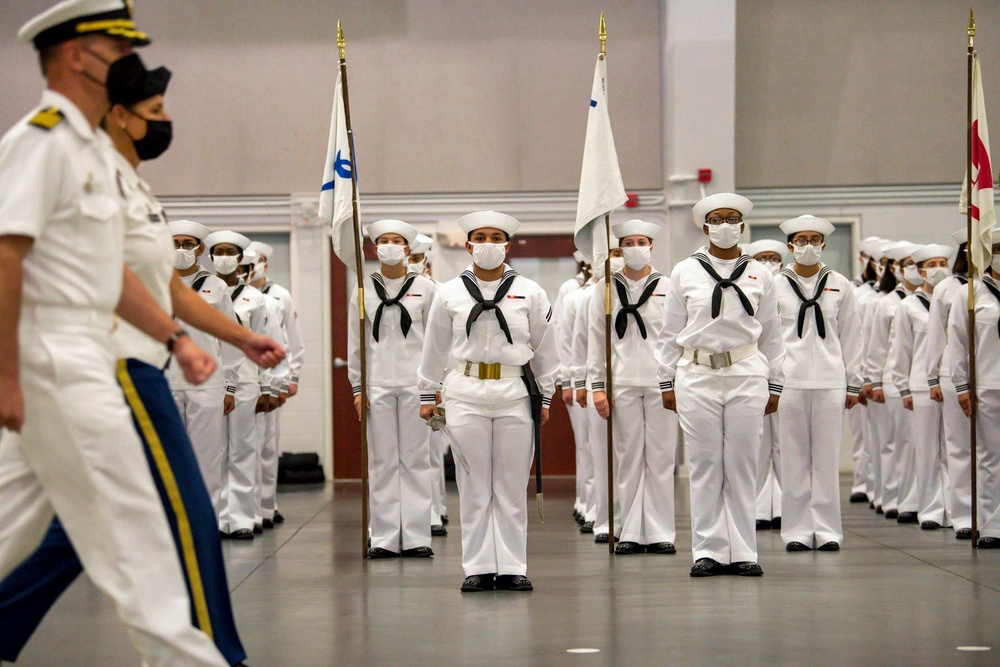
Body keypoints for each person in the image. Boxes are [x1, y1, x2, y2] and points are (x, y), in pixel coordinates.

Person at [0, 59, 288, 665]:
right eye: (155, 112)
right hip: (111, 365)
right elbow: (104, 276)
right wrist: (174, 341)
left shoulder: (133, 187)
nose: (167, 122)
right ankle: (216, 653)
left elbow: (167, 288)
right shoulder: (83, 171)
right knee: (186, 512)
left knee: (71, 531)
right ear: (120, 116)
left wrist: (236, 337)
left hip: (122, 364)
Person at [418, 211, 558, 591]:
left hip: (514, 392)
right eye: (480, 237)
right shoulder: (449, 292)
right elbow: (434, 347)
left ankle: (512, 566)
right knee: (474, 485)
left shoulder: (530, 291)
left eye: (497, 238)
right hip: (465, 391)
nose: (488, 244)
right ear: (467, 246)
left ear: (507, 246)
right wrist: (427, 392)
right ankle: (478, 567)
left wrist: (545, 397)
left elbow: (546, 349)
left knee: (511, 486)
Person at [656, 193, 785, 577]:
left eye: (732, 219)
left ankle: (744, 551)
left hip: (746, 372)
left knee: (743, 464)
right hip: (696, 375)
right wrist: (666, 380)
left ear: (742, 227)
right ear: (705, 225)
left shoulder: (761, 274)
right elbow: (669, 332)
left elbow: (774, 335)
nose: (725, 225)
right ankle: (709, 551)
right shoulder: (684, 271)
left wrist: (776, 384)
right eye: (717, 218)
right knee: (705, 465)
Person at [588, 219, 678, 555]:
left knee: (660, 457)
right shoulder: (605, 289)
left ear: (651, 247)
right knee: (628, 458)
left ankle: (659, 531)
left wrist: (673, 380)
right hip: (622, 382)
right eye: (629, 243)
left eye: (642, 242)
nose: (635, 248)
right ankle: (629, 529)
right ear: (620, 248)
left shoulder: (669, 286)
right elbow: (597, 342)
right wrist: (598, 387)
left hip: (660, 383)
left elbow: (674, 339)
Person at [773, 215, 863, 552]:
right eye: (800, 240)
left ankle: (827, 531)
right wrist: (772, 379)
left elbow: (852, 335)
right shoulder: (775, 284)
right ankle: (795, 530)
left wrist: (854, 382)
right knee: (793, 460)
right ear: (789, 246)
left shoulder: (840, 283)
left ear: (823, 245)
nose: (807, 246)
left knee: (826, 461)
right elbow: (768, 335)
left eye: (814, 240)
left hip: (829, 379)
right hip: (790, 380)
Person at [348, 219, 437, 558]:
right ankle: (384, 537)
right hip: (378, 385)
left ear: (407, 248)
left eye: (395, 240)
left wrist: (434, 385)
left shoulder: (426, 288)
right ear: (374, 248)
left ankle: (416, 536)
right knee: (382, 462)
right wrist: (358, 387)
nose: (389, 246)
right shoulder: (363, 288)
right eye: (383, 240)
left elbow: (435, 342)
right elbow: (355, 345)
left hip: (415, 385)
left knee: (415, 460)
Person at [168, 219, 244, 518]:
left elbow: (231, 337)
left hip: (208, 384)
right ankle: (174, 525)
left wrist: (229, 384)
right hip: (165, 381)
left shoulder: (216, 286)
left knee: (207, 460)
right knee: (170, 460)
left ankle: (206, 524)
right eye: (175, 244)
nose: (181, 250)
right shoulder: (153, 281)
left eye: (188, 245)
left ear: (199, 249)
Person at [206, 230, 276, 539]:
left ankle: (245, 517)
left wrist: (268, 386)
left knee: (244, 449)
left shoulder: (255, 298)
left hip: (246, 380)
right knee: (215, 450)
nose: (222, 257)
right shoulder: (203, 291)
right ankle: (220, 516)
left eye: (228, 251)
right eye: (217, 251)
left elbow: (265, 343)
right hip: (210, 378)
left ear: (239, 258)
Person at [892, 243, 956, 532]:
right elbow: (901, 350)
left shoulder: (956, 299)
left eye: (943, 262)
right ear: (919, 271)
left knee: (955, 450)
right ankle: (930, 508)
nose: (938, 269)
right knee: (927, 449)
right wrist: (903, 387)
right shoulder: (908, 306)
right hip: (920, 385)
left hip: (954, 380)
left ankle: (956, 509)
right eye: (931, 265)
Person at [865, 241, 924, 523]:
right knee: (893, 443)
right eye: (907, 264)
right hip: (891, 379)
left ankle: (920, 498)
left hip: (922, 378)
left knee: (920, 444)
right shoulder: (886, 302)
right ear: (897, 269)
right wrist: (873, 380)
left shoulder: (932, 299)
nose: (913, 270)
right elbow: (876, 345)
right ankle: (893, 497)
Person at [948, 229, 1000, 548]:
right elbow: (957, 342)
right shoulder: (972, 292)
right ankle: (992, 524)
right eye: (997, 248)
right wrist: (962, 385)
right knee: (990, 457)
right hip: (989, 385)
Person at [573, 239, 623, 544]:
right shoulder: (586, 295)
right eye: (614, 253)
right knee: (592, 450)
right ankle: (596, 511)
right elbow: (577, 340)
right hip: (596, 382)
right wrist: (577, 382)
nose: (619, 258)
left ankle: (629, 520)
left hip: (630, 381)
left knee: (630, 457)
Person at [926, 229, 974, 539]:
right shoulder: (947, 288)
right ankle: (964, 516)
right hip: (952, 373)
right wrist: (932, 377)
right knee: (959, 449)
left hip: (988, 372)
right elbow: (937, 336)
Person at [405, 233, 448, 535]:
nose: (411, 264)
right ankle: (410, 513)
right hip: (395, 382)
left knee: (431, 452)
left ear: (427, 261)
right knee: (403, 456)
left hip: (430, 385)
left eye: (417, 259)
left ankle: (434, 510)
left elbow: (443, 346)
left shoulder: (436, 291)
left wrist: (440, 384)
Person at [743, 239, 787, 532]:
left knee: (784, 448)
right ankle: (759, 508)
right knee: (759, 448)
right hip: (753, 371)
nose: (768, 262)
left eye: (773, 257)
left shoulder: (785, 286)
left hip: (786, 373)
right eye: (763, 257)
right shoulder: (749, 283)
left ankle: (784, 506)